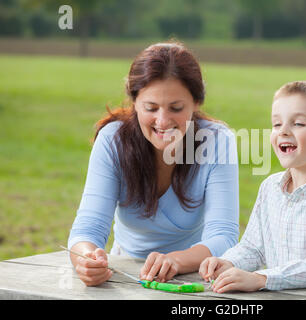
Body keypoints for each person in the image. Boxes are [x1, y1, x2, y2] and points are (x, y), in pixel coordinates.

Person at [67, 42, 239, 287]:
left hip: (192, 278)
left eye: (176, 108)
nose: (162, 120)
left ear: (196, 103)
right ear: (134, 102)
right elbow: (88, 228)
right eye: (151, 108)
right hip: (125, 277)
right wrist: (85, 258)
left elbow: (224, 236)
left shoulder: (217, 141)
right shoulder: (113, 140)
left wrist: (176, 261)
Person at [199, 80, 306, 293]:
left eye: (298, 124)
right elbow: (254, 248)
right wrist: (228, 262)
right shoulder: (270, 188)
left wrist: (260, 279)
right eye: (276, 124)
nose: (283, 131)